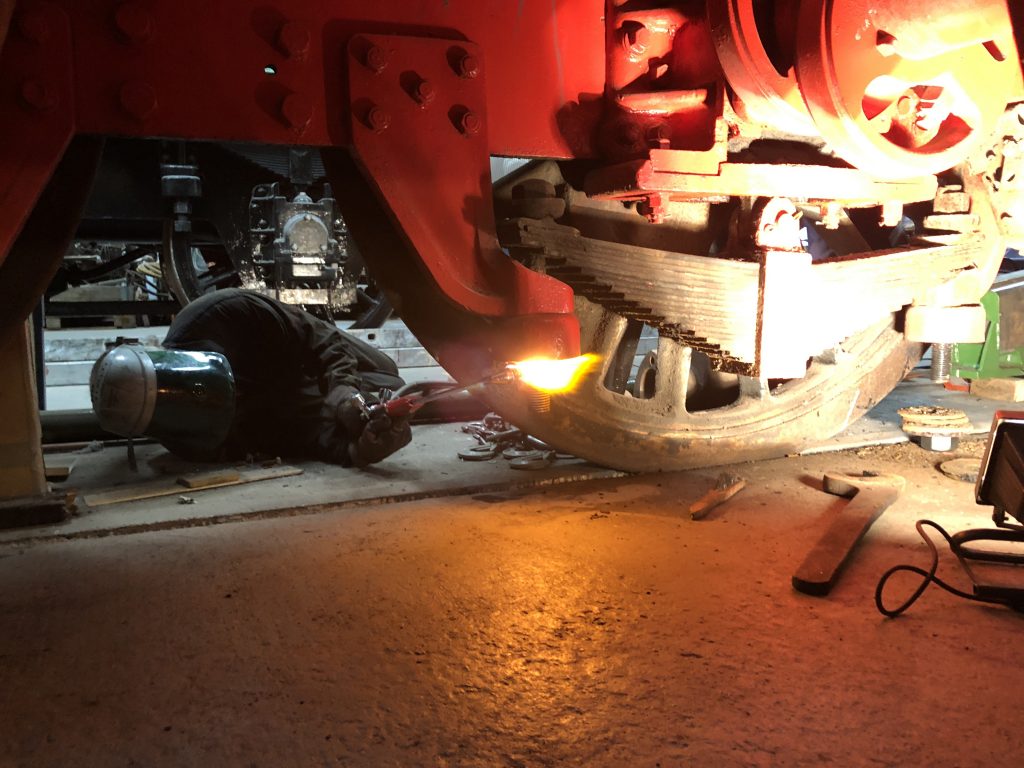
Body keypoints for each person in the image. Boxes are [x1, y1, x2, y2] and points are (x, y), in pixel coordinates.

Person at [90, 288, 411, 466]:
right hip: (286, 405)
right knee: (393, 392)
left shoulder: (223, 313)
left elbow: (321, 339)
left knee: (389, 373)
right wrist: (356, 452)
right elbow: (292, 442)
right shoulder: (194, 439)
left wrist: (344, 391)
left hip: (297, 360)